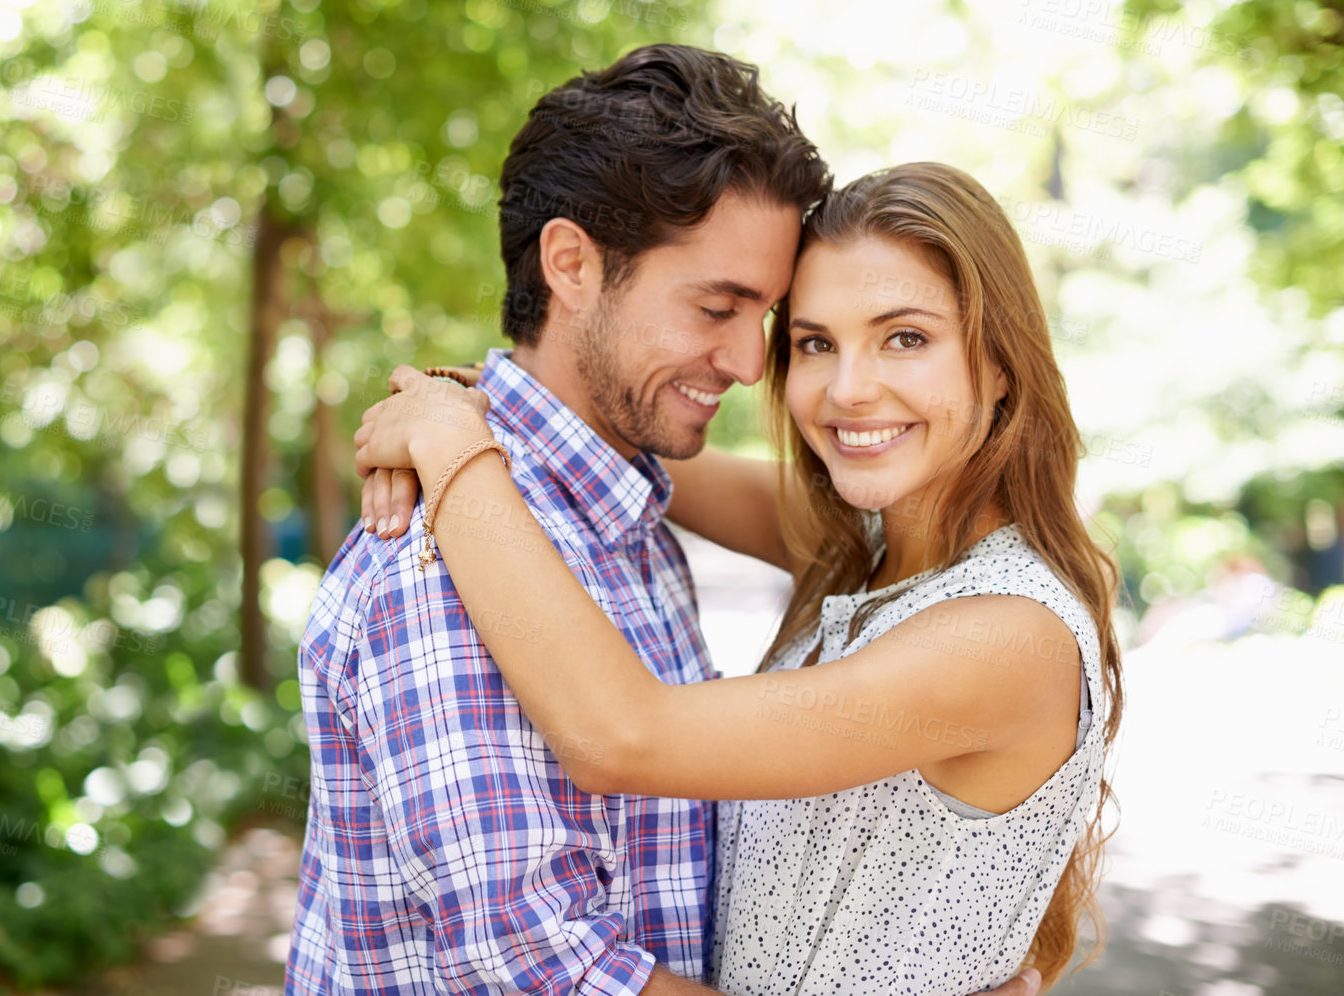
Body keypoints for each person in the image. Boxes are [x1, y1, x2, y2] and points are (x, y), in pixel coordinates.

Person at [355, 160, 1122, 993]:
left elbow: (620, 736)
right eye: (814, 343)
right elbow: (606, 435)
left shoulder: (1004, 632)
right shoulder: (860, 541)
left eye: (906, 336)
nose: (850, 390)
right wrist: (461, 394)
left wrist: (451, 449)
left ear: (1000, 361)